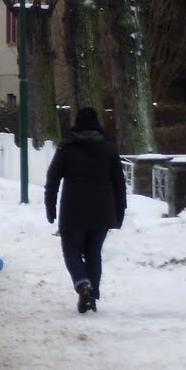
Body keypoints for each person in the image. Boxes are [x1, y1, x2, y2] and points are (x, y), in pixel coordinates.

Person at [44, 106, 127, 314]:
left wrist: (50, 207)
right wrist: (120, 212)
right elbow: (119, 183)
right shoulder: (108, 148)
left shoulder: (66, 147)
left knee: (71, 250)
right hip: (102, 210)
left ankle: (83, 284)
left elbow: (52, 179)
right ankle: (92, 293)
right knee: (93, 253)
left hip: (73, 209)